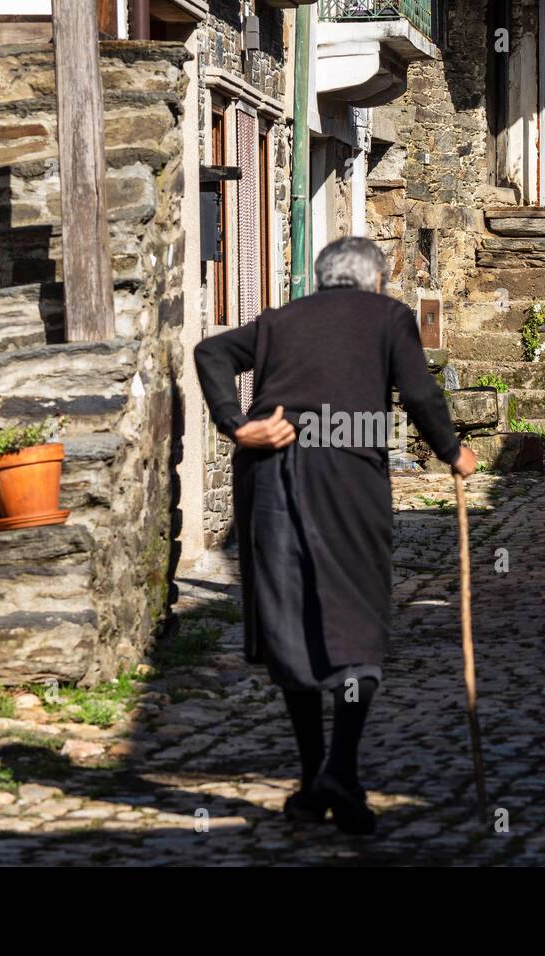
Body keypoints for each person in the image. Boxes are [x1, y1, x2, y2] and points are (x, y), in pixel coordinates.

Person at [194, 237, 476, 834]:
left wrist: (236, 425)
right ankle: (339, 770)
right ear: (375, 282)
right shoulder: (389, 316)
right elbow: (419, 392)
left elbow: (210, 352)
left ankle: (313, 780)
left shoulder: (278, 320)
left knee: (288, 620)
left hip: (268, 474)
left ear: (323, 281)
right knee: (355, 615)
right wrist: (453, 451)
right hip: (345, 473)